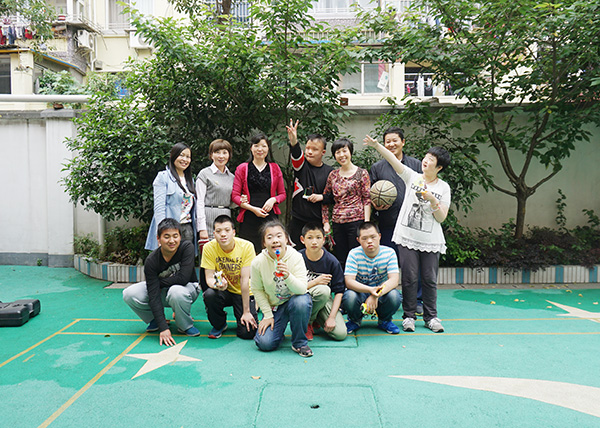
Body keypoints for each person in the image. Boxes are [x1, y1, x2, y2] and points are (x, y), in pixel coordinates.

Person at [364, 135, 451, 333]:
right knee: (409, 278)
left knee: (429, 279)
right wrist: (377, 145)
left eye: (431, 159)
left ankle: (431, 317)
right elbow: (393, 160)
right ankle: (409, 316)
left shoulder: (443, 187)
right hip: (407, 237)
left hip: (430, 240)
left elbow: (441, 217)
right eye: (426, 157)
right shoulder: (413, 177)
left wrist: (433, 200)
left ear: (439, 167)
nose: (426, 161)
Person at [369, 127, 424, 315]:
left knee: (413, 266)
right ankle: (383, 298)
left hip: (411, 224)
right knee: (385, 264)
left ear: (403, 142)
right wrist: (377, 205)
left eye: (395, 140)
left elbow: (424, 189)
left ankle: (416, 300)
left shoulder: (416, 165)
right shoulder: (377, 168)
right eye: (388, 141)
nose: (391, 144)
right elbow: (372, 194)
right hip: (387, 224)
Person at [124, 218, 201, 346]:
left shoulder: (187, 247)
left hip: (188, 289)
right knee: (129, 293)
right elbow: (153, 296)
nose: (171, 241)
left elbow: (183, 279)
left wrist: (157, 283)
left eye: (175, 236)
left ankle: (185, 325)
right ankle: (155, 320)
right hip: (163, 292)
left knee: (176, 291)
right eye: (166, 237)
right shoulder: (151, 260)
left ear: (180, 237)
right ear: (158, 239)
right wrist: (163, 328)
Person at [252, 220, 313, 357]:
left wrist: (287, 276)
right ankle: (278, 333)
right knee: (265, 343)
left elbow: (302, 289)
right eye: (269, 237)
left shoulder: (296, 257)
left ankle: (299, 343)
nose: (275, 240)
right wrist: (267, 315)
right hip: (275, 307)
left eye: (279, 236)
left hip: (294, 301)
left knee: (302, 301)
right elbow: (257, 289)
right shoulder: (258, 262)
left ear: (286, 239)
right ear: (264, 243)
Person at [201, 215, 258, 339]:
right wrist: (217, 285)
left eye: (227, 230)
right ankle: (219, 324)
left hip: (242, 291)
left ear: (233, 232)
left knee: (248, 333)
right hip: (223, 290)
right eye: (218, 231)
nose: (223, 234)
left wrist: (246, 312)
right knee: (210, 294)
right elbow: (209, 278)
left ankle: (252, 306)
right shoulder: (208, 248)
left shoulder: (247, 246)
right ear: (214, 234)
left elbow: (245, 280)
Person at [343, 221, 402, 334]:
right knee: (349, 296)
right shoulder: (354, 254)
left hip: (382, 294)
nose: (369, 241)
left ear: (379, 236)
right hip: (360, 293)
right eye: (364, 238)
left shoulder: (389, 253)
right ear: (358, 240)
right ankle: (355, 320)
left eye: (373, 237)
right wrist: (370, 290)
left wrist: (376, 294)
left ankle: (384, 320)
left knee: (395, 296)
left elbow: (394, 280)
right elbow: (349, 281)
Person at [232, 134, 286, 254]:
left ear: (268, 149)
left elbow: (282, 194)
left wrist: (273, 200)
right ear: (251, 148)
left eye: (263, 146)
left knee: (270, 250)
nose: (260, 149)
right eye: (256, 146)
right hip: (249, 216)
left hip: (269, 217)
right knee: (248, 251)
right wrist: (252, 208)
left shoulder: (275, 168)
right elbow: (235, 196)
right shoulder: (242, 168)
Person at [322, 138, 371, 267]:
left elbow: (367, 199)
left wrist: (366, 223)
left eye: (344, 151)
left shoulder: (361, 173)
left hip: (356, 221)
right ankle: (342, 280)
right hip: (337, 222)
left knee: (356, 256)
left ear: (350, 152)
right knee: (341, 257)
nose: (342, 155)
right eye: (338, 152)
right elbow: (326, 199)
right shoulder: (333, 175)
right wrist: (326, 222)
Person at [286, 119, 334, 249]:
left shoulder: (330, 172)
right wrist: (294, 142)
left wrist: (321, 197)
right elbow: (296, 155)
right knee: (296, 255)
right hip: (298, 221)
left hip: (318, 222)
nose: (309, 152)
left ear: (323, 152)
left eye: (314, 149)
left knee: (316, 254)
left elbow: (335, 197)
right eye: (307, 148)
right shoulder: (301, 166)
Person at [145, 143, 197, 254]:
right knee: (168, 262)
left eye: (188, 157)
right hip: (169, 230)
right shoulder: (163, 177)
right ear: (173, 156)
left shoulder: (190, 180)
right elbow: (159, 208)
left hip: (187, 229)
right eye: (181, 155)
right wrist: (161, 232)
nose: (185, 159)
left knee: (186, 261)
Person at [299, 223, 347, 341]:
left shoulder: (332, 261)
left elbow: (339, 292)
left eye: (318, 237)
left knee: (340, 333)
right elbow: (292, 287)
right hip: (301, 297)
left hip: (323, 300)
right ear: (302, 240)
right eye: (310, 238)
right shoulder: (297, 258)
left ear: (324, 240)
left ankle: (315, 318)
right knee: (323, 290)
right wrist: (316, 282)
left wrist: (332, 317)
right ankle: (307, 323)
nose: (314, 242)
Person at [195, 139, 236, 242]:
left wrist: (241, 200)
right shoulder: (204, 174)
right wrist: (202, 228)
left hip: (226, 218)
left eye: (224, 153)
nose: (221, 156)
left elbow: (232, 203)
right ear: (211, 155)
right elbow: (199, 201)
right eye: (217, 152)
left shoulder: (232, 177)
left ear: (229, 155)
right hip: (208, 218)